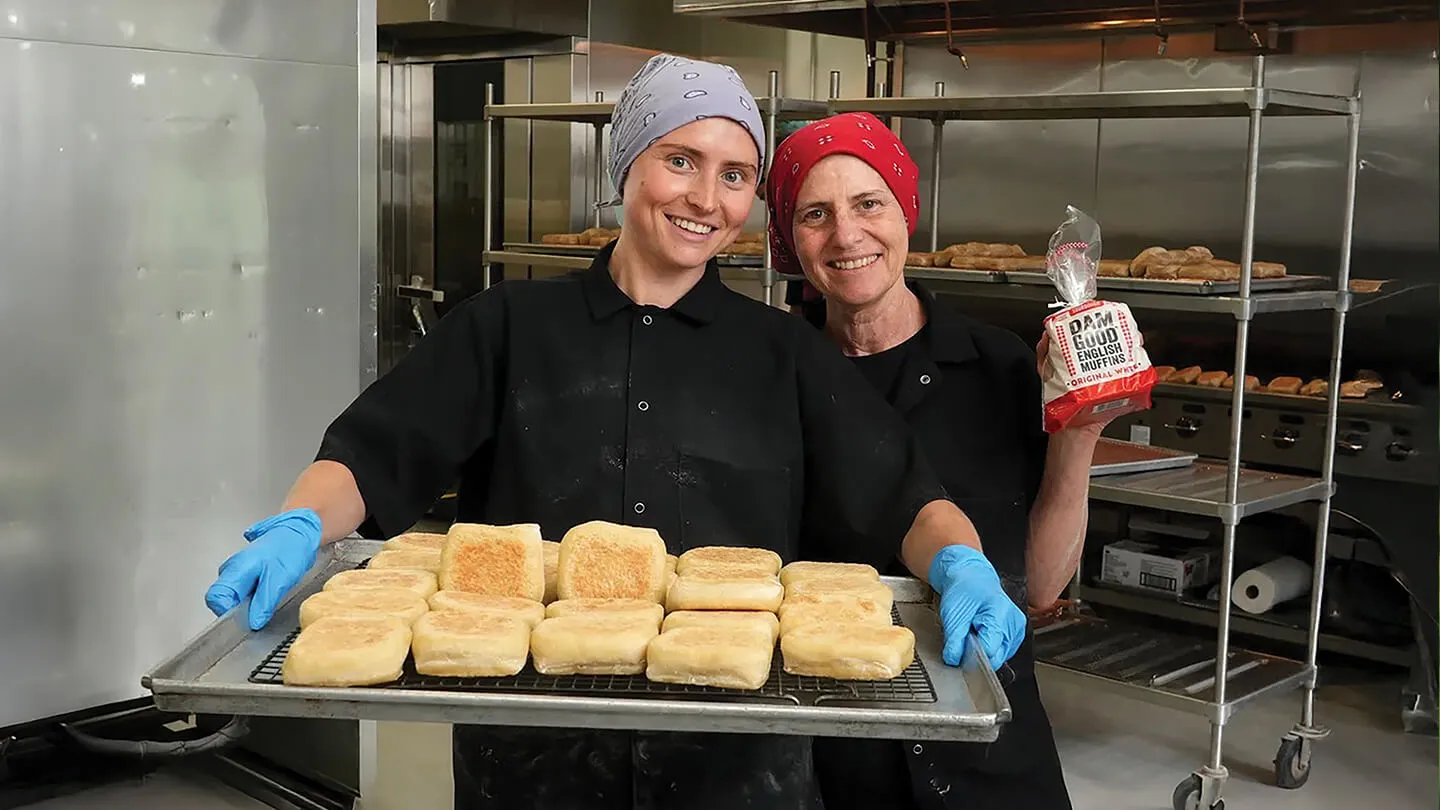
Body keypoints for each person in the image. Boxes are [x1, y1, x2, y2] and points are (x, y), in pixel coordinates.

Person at [202, 57, 1027, 810]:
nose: (707, 198)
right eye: (681, 162)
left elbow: (909, 495)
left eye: (736, 175)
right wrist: (300, 524)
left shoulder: (783, 354)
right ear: (624, 165)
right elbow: (371, 454)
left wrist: (963, 564)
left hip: (737, 764)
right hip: (532, 759)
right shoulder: (508, 326)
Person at [766, 112, 1112, 810]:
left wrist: (1080, 433)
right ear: (788, 238)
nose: (846, 234)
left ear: (906, 215)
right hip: (831, 760)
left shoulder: (998, 367)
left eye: (870, 204)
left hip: (990, 751)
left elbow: (1040, 587)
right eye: (815, 213)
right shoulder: (768, 379)